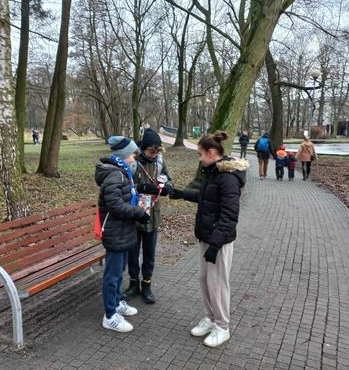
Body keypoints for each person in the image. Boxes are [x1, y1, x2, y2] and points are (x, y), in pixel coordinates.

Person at [169, 131, 248, 348]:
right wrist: (181, 193)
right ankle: (211, 318)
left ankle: (222, 327)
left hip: (218, 241)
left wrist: (215, 244)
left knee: (218, 283)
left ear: (212, 152)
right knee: (204, 280)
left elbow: (229, 215)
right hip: (206, 236)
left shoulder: (228, 178)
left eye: (200, 154)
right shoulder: (212, 172)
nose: (200, 158)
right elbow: (206, 198)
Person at [95, 136, 151, 332]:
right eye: (132, 155)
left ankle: (117, 302)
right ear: (123, 156)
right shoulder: (114, 175)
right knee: (112, 275)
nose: (135, 158)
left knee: (119, 272)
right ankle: (110, 315)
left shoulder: (122, 172)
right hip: (115, 232)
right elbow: (115, 205)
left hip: (124, 230)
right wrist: (138, 213)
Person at [123, 128, 173, 304]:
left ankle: (147, 285)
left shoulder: (159, 161)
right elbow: (125, 185)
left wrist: (167, 187)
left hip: (153, 215)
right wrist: (142, 188)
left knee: (149, 253)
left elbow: (168, 178)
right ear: (143, 148)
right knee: (133, 252)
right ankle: (133, 283)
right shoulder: (133, 161)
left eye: (156, 152)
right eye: (151, 151)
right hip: (135, 215)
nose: (153, 155)